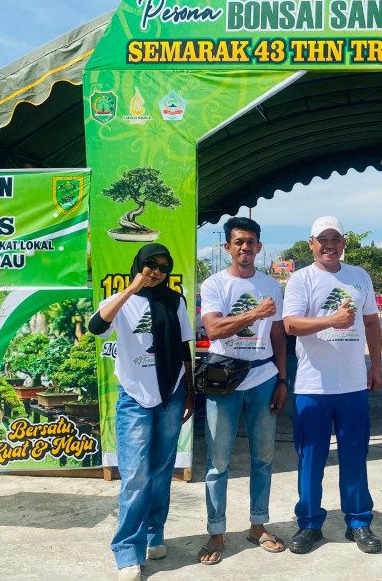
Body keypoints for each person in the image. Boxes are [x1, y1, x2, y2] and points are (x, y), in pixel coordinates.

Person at [88, 244, 194, 581]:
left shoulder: (175, 300)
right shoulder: (121, 301)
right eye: (151, 264)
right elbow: (95, 326)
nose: (157, 271)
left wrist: (189, 391)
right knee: (134, 473)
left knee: (162, 468)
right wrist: (133, 288)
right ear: (139, 265)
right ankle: (126, 550)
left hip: (171, 392)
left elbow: (183, 347)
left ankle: (153, 534)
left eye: (164, 266)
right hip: (135, 396)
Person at [282, 216, 382, 554]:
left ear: (343, 243)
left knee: (355, 456)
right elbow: (291, 325)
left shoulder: (359, 277)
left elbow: (371, 322)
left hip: (352, 385)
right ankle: (309, 524)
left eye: (335, 238)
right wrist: (332, 320)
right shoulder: (300, 279)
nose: (329, 245)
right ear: (311, 243)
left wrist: (376, 365)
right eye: (322, 239)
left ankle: (358, 522)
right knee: (311, 458)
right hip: (313, 387)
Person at [197, 217, 288, 564]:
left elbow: (277, 335)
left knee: (263, 458)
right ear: (227, 247)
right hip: (224, 380)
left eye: (251, 242)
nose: (245, 248)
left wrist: (282, 379)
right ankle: (216, 532)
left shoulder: (272, 285)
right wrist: (255, 313)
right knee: (218, 462)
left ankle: (258, 525)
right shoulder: (214, 284)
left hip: (264, 377)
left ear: (259, 247)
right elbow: (215, 329)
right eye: (239, 242)